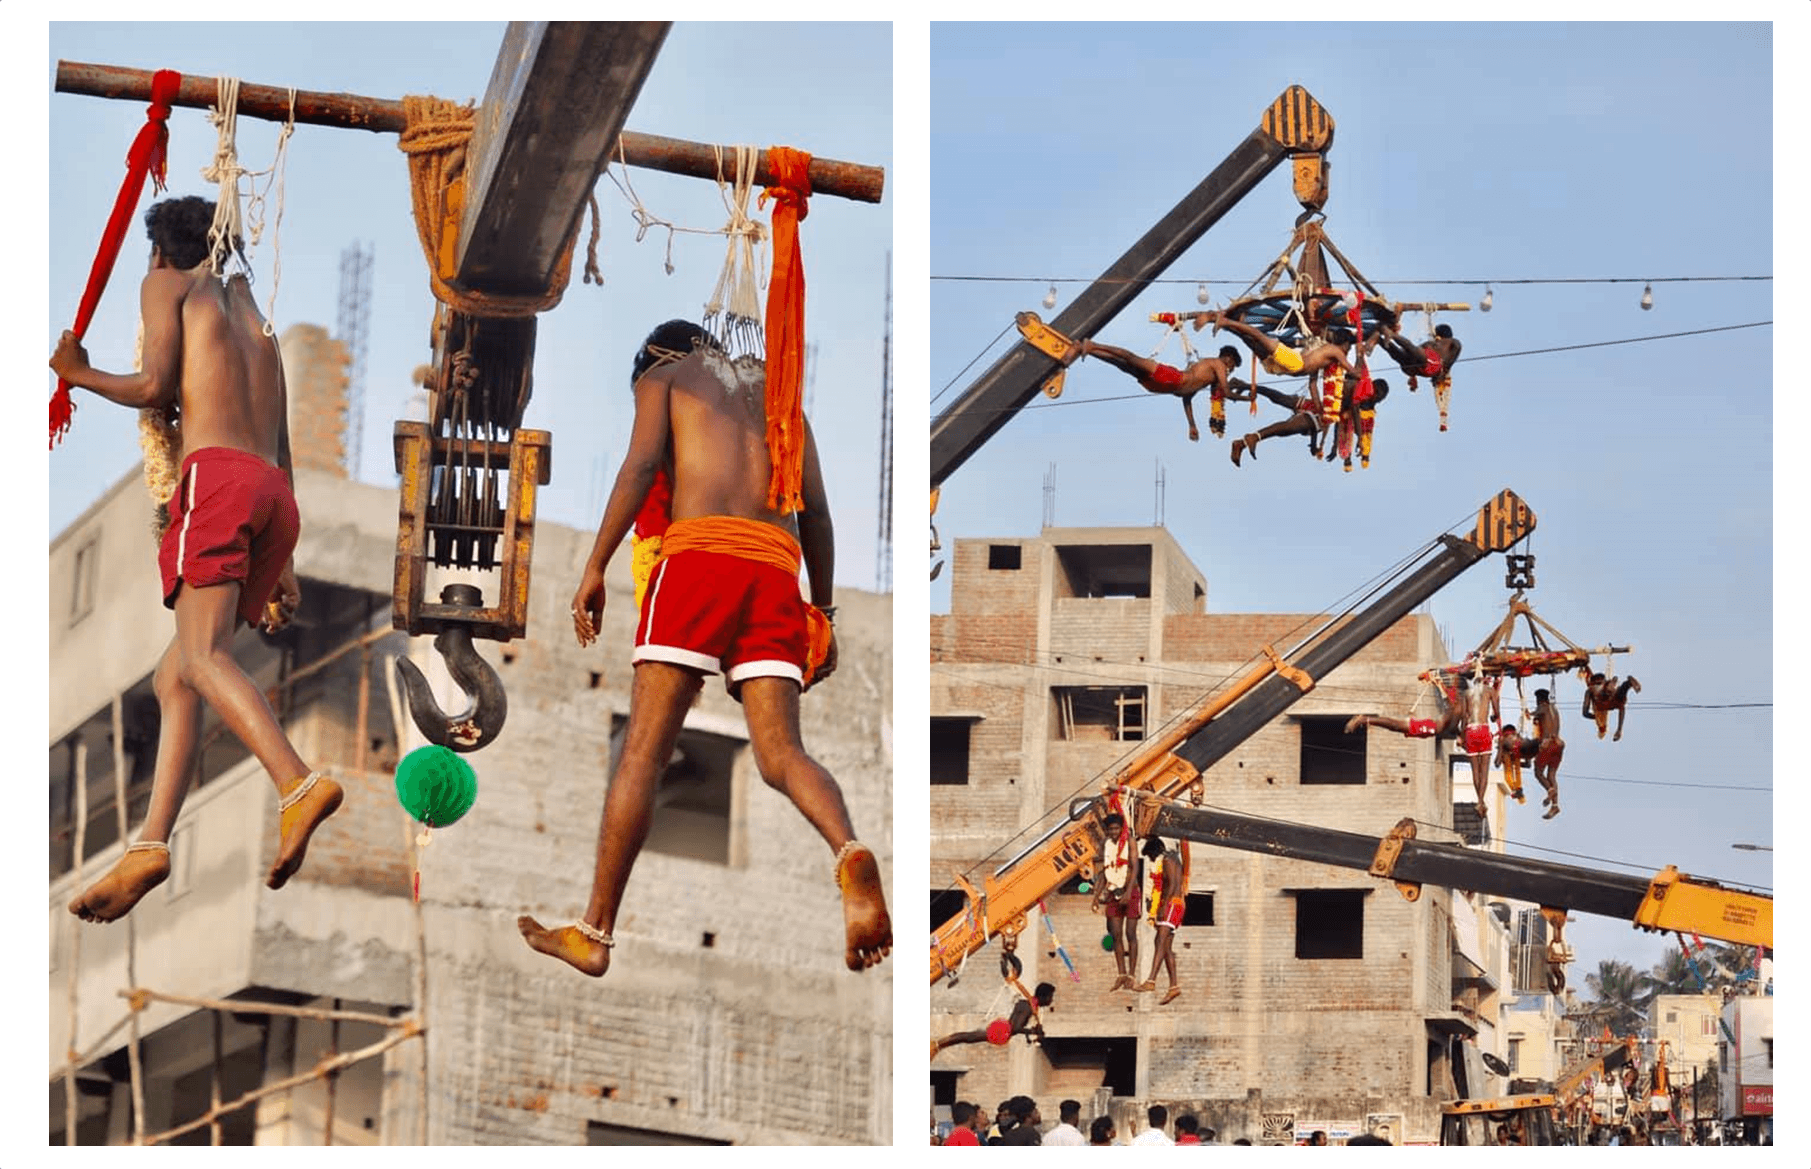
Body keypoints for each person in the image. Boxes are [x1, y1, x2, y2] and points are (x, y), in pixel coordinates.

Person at [518, 320, 891, 976]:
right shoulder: (781, 403)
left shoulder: (666, 377)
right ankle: (847, 850)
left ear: (658, 357)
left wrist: (594, 565)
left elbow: (638, 467)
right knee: (782, 754)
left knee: (643, 752)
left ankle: (594, 929)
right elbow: (819, 515)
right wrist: (822, 612)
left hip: (698, 560)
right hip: (776, 570)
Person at [52, 195, 341, 924]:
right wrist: (287, 560)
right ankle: (150, 845)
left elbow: (154, 386)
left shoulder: (168, 286)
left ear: (159, 253)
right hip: (272, 494)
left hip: (215, 483)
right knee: (176, 674)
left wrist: (76, 373)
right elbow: (282, 451)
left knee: (204, 658)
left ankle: (298, 783)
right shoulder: (260, 323)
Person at [1346, 672, 1493, 823]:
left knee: (1397, 727)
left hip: (1432, 728)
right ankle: (1365, 719)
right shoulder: (1459, 707)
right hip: (1430, 727)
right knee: (1397, 726)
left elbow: (1454, 717)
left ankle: (1366, 720)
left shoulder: (1460, 706)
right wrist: (1460, 736)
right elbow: (1453, 722)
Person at [1077, 336, 1242, 441]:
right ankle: (1093, 345)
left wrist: (1192, 425)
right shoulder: (1218, 364)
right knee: (1130, 358)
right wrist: (1249, 397)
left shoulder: (1206, 378)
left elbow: (1187, 397)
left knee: (1124, 366)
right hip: (1171, 378)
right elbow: (1226, 392)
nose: (1231, 370)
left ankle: (1089, 350)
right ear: (1228, 359)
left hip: (1166, 386)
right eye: (1233, 366)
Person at [1205, 310, 1357, 381]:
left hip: (1287, 368)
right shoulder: (1336, 350)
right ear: (1344, 343)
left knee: (1253, 343)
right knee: (1258, 336)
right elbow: (1351, 370)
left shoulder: (1328, 349)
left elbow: (1313, 381)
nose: (1348, 350)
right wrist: (1362, 365)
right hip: (1295, 362)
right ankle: (1226, 322)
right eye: (1349, 347)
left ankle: (1228, 326)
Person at [1092, 810, 1141, 989]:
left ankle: (1132, 975)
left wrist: (1128, 892)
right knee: (1116, 934)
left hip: (1131, 891)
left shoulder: (1129, 842)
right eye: (1110, 829)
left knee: (1130, 934)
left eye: (1116, 829)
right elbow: (1104, 872)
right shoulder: (1106, 844)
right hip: (1113, 891)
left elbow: (1135, 867)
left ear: (1121, 828)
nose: (1113, 832)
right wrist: (1096, 897)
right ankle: (1121, 973)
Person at [1380, 322, 1462, 429]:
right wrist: (1412, 377)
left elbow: (1457, 347)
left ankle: (1391, 334)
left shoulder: (1451, 342)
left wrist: (1444, 370)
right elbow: (1413, 350)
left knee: (1413, 349)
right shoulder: (1432, 343)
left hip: (1432, 364)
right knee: (1398, 355)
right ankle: (1379, 339)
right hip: (1416, 366)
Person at [1133, 835, 1183, 1004]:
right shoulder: (1172, 858)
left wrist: (1162, 906)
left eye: (1150, 856)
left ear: (1155, 851)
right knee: (1166, 947)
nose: (1151, 859)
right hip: (1173, 904)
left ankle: (1151, 980)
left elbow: (1173, 885)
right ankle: (1174, 987)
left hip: (1172, 905)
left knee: (1159, 941)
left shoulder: (1168, 860)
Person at [1229, 382, 1328, 466]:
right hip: (1304, 407)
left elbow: (1317, 427)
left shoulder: (1329, 420)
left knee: (1282, 431)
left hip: (1309, 421)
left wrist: (1315, 447)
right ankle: (1239, 384)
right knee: (1276, 398)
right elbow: (1313, 388)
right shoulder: (1334, 407)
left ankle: (1241, 443)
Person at [1532, 688, 1565, 819]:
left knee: (1538, 773)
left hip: (1548, 745)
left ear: (1539, 700)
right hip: (1559, 744)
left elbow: (1532, 714)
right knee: (1551, 774)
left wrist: (1526, 712)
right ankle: (1555, 806)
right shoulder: (1554, 709)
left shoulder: (1543, 707)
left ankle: (1550, 790)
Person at [1581, 671, 1641, 741]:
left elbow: (1622, 709)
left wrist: (1619, 729)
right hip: (1603, 701)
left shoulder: (1600, 687)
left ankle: (1628, 682)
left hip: (1611, 699)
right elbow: (1585, 711)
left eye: (1600, 679)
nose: (1598, 681)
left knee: (1620, 691)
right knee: (1613, 693)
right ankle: (1628, 683)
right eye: (1597, 680)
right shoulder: (1590, 690)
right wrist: (1595, 716)